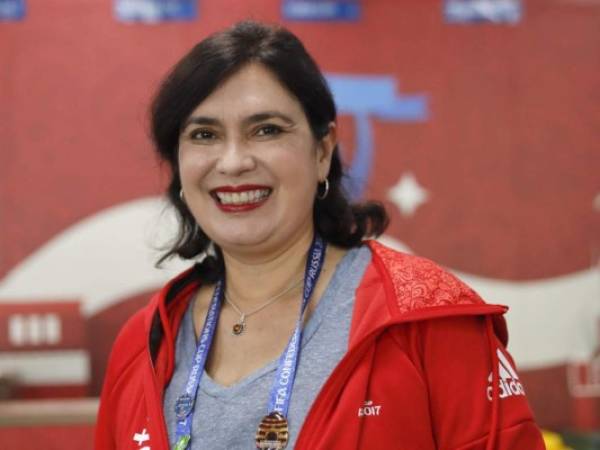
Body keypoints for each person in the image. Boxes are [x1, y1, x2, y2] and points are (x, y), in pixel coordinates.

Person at [95, 21, 545, 450]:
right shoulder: (144, 343)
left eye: (266, 130)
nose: (232, 162)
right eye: (204, 134)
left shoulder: (426, 317)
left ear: (323, 150)